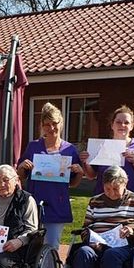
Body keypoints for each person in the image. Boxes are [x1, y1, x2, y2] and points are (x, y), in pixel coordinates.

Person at [17, 103, 84, 248]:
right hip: (35, 202)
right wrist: (22, 167)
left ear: (61, 123)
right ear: (42, 125)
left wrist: (79, 172)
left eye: (55, 123)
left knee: (51, 246)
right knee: (32, 246)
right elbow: (22, 176)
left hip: (57, 204)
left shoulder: (70, 149)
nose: (52, 128)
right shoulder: (33, 146)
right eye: (47, 124)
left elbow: (73, 184)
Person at [80, 105, 134, 197]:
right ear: (112, 125)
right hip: (103, 199)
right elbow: (91, 176)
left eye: (126, 123)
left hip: (131, 201)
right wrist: (86, 162)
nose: (122, 125)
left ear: (132, 126)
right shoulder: (101, 146)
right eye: (118, 122)